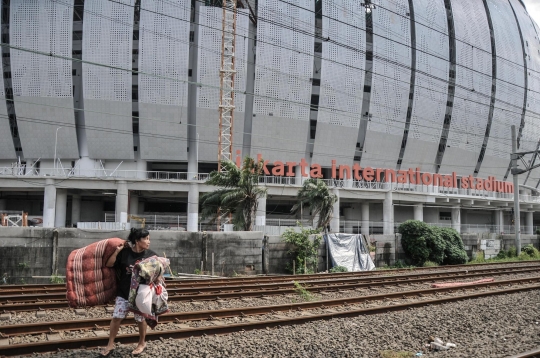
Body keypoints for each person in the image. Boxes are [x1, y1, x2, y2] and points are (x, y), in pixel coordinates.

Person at [100, 228, 157, 357]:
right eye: (146, 239)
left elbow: (158, 272)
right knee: (116, 317)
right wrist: (117, 251)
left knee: (140, 319)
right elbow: (109, 264)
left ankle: (142, 343)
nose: (149, 241)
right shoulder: (125, 253)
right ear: (137, 241)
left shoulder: (150, 255)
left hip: (140, 294)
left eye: (149, 238)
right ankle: (110, 344)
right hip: (124, 292)